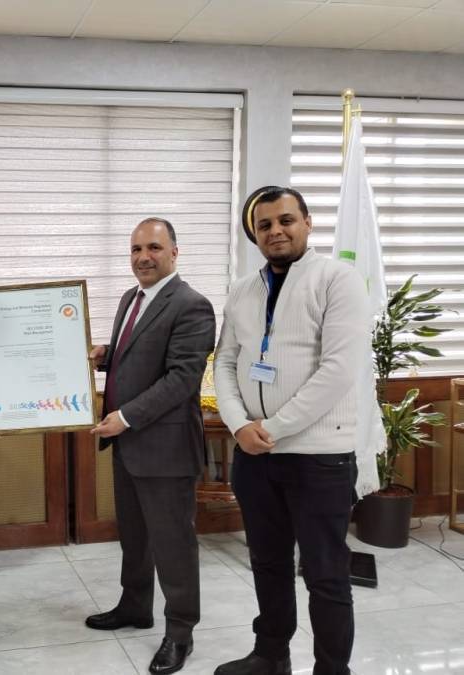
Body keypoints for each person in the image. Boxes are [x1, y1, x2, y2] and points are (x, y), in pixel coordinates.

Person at [213, 186, 370, 675]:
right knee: (268, 563)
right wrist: (239, 425)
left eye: (286, 220)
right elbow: (226, 361)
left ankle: (331, 669)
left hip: (318, 456)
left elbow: (338, 370)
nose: (275, 231)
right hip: (255, 456)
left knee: (325, 574)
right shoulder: (243, 289)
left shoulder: (338, 279)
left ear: (307, 222)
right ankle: (271, 654)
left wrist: (274, 428)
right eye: (264, 225)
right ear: (255, 234)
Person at [85, 218, 215, 674]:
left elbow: (181, 378)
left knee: (172, 544)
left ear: (174, 252)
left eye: (154, 248)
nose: (143, 257)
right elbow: (139, 357)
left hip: (165, 448)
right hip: (129, 445)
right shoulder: (131, 298)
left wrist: (124, 417)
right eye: (136, 249)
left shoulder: (192, 305)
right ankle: (135, 605)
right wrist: (106, 355)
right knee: (135, 536)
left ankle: (180, 632)